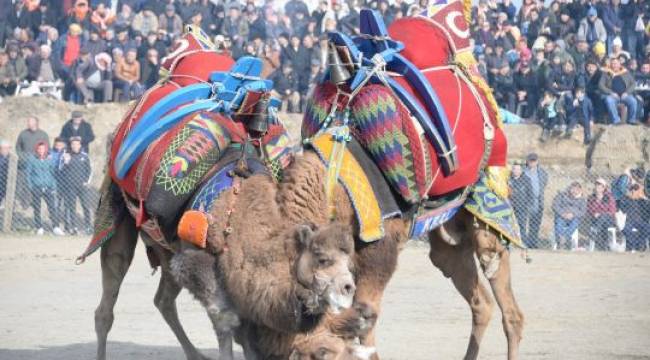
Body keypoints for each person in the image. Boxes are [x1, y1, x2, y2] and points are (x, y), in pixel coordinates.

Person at [26, 141, 64, 235]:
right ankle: (39, 227)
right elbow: (28, 174)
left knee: (52, 207)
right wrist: (31, 187)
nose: (41, 151)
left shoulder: (49, 160)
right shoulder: (32, 159)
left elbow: (53, 174)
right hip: (37, 188)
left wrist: (53, 186)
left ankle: (56, 227)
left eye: (43, 149)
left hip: (48, 187)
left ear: (46, 150)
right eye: (39, 149)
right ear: (36, 150)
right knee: (37, 208)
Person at [60, 137, 92, 235]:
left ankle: (88, 227)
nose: (75, 146)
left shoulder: (85, 156)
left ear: (80, 145)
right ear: (71, 145)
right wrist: (66, 162)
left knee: (86, 206)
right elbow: (61, 170)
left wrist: (86, 181)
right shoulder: (66, 155)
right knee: (71, 207)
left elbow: (89, 170)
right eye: (73, 144)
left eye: (77, 144)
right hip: (70, 187)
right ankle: (73, 227)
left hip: (82, 187)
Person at [599, 57, 638, 125]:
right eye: (612, 64)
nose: (614, 65)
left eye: (616, 63)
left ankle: (631, 120)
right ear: (610, 65)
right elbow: (600, 85)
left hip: (625, 95)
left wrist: (626, 92)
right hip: (613, 95)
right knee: (609, 100)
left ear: (620, 64)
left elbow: (633, 83)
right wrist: (611, 92)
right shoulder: (606, 73)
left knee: (633, 101)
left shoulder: (625, 72)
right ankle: (616, 120)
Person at [552, 182, 587, 250]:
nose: (574, 191)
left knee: (575, 223)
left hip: (574, 218)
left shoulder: (582, 199)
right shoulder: (562, 195)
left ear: (580, 190)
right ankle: (561, 239)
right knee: (559, 222)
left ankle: (563, 239)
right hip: (562, 216)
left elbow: (582, 212)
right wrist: (563, 213)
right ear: (569, 188)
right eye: (573, 189)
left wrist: (573, 214)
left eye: (576, 189)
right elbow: (555, 206)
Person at [524, 153, 548, 248]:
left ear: (537, 162)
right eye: (530, 160)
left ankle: (533, 243)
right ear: (527, 161)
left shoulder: (542, 173)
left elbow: (544, 183)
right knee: (523, 223)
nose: (532, 163)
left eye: (534, 161)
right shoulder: (523, 171)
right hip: (525, 201)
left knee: (535, 223)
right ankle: (523, 242)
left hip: (537, 201)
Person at [586, 178, 617, 250]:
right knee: (603, 221)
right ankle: (604, 245)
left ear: (604, 188)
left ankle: (595, 231)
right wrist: (594, 212)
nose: (597, 187)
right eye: (596, 185)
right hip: (596, 219)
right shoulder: (592, 197)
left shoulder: (609, 197)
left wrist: (601, 213)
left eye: (600, 185)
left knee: (604, 216)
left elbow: (612, 211)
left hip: (609, 219)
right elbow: (589, 209)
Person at [618, 182, 650, 251]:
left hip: (640, 221)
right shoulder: (626, 198)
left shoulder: (642, 200)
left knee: (648, 229)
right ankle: (634, 245)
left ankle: (640, 244)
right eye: (636, 190)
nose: (639, 193)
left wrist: (645, 198)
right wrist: (629, 198)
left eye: (640, 191)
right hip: (629, 221)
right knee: (626, 230)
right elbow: (622, 210)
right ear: (633, 191)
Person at [509, 161, 533, 246]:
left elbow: (530, 194)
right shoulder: (508, 179)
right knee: (509, 225)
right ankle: (510, 243)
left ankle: (523, 244)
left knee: (522, 226)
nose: (516, 171)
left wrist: (527, 205)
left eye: (518, 169)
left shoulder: (526, 180)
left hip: (522, 208)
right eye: (514, 169)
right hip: (510, 207)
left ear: (521, 171)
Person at [0, 140, 10, 207]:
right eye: (4, 148)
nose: (5, 150)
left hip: (5, 182)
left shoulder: (11, 158)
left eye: (7, 148)